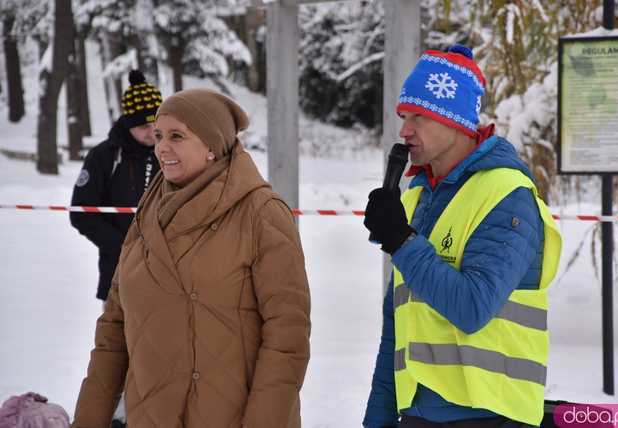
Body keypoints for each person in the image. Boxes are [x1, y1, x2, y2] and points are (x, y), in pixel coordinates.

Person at [71, 89, 311, 428]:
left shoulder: (262, 214)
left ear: (212, 144)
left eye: (177, 136)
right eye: (158, 136)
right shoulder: (147, 215)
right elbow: (113, 331)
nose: (161, 147)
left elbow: (287, 337)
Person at [362, 44, 562, 428]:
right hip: (420, 412)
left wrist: (402, 242)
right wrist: (378, 419)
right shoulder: (419, 195)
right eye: (404, 116)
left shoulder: (507, 195)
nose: (404, 130)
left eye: (418, 116)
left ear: (455, 120)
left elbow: (473, 307)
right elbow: (398, 324)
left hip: (490, 415)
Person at [70, 70, 162, 303]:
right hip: (118, 273)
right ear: (128, 123)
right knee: (117, 338)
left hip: (168, 274)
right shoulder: (105, 156)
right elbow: (81, 214)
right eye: (143, 127)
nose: (152, 133)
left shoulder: (171, 152)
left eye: (156, 126)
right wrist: (124, 247)